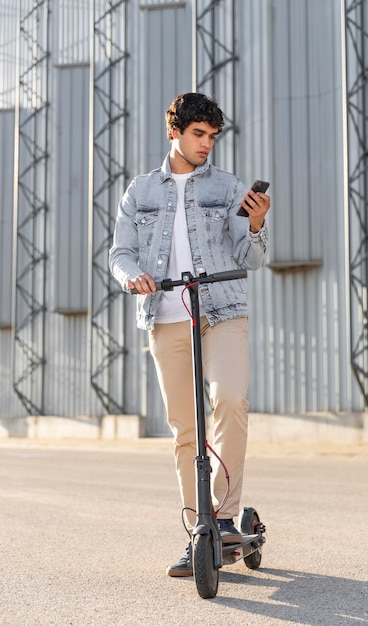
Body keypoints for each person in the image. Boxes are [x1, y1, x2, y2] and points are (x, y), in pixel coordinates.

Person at [109, 92, 270, 577]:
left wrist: (257, 223)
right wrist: (131, 277)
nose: (206, 144)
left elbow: (251, 258)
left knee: (229, 401)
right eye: (198, 134)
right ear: (174, 132)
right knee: (184, 427)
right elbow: (121, 252)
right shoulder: (141, 191)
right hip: (165, 314)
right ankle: (198, 527)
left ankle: (223, 518)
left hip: (221, 309)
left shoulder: (228, 186)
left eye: (212, 136)